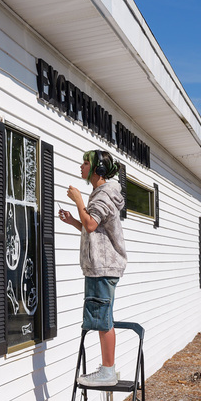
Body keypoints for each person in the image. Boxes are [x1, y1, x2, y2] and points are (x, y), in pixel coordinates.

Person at [58, 149, 128, 387]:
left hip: (103, 268)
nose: (81, 167)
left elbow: (90, 225)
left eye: (85, 163)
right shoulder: (100, 194)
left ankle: (108, 371)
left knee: (102, 319)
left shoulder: (103, 195)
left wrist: (78, 200)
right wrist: (73, 220)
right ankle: (107, 369)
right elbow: (94, 232)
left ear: (97, 169)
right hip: (99, 267)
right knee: (101, 319)